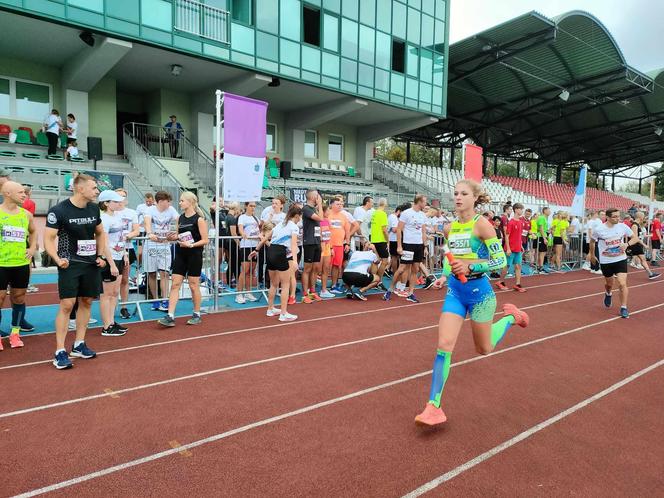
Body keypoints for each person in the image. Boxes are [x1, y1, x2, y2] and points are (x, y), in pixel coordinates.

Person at [415, 179, 529, 426]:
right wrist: (444, 275)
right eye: (455, 193)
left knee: (484, 349)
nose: (457, 197)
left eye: (463, 193)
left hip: (480, 295)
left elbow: (501, 263)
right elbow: (449, 258)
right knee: (444, 345)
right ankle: (433, 406)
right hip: (456, 293)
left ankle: (511, 317)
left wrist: (472, 265)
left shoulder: (483, 226)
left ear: (475, 198)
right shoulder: (449, 228)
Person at [44, 174, 112, 369]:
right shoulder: (59, 210)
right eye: (93, 188)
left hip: (90, 263)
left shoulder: (93, 208)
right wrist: (57, 259)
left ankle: (79, 344)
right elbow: (48, 239)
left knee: (87, 301)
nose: (97, 191)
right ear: (80, 189)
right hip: (70, 263)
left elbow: (100, 233)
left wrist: (100, 256)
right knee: (67, 304)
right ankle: (59, 351)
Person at [158, 192, 209, 327]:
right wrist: (173, 237)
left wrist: (191, 244)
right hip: (181, 254)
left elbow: (205, 240)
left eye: (182, 201)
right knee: (175, 284)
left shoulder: (199, 219)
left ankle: (196, 314)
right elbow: (180, 235)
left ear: (190, 202)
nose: (179, 203)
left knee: (193, 285)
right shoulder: (180, 218)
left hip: (194, 255)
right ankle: (170, 316)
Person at [0, 182, 37, 350]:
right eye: (20, 192)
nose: (24, 195)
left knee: (19, 298)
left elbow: (34, 231)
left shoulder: (26, 214)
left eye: (25, 192)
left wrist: (32, 247)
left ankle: (15, 333)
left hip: (20, 264)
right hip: (1, 264)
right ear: (7, 193)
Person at [589, 208, 640, 319]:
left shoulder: (622, 226)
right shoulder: (599, 229)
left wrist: (627, 244)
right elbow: (592, 242)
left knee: (622, 283)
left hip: (620, 259)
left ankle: (623, 307)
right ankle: (608, 293)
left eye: (618, 216)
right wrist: (592, 255)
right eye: (615, 217)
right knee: (609, 284)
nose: (618, 218)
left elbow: (635, 238)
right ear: (607, 217)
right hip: (606, 261)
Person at [384, 194, 428, 303]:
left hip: (419, 245)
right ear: (419, 202)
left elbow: (423, 231)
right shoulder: (406, 213)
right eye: (424, 202)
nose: (426, 204)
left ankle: (411, 293)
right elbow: (399, 229)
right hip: (408, 244)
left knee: (415, 269)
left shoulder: (423, 215)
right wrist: (399, 245)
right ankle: (390, 290)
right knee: (402, 268)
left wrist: (425, 246)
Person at [98, 190, 129, 337]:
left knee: (115, 293)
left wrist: (124, 254)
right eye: (115, 201)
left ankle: (111, 321)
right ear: (106, 203)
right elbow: (104, 244)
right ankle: (106, 326)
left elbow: (121, 238)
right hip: (109, 259)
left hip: (119, 256)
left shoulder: (118, 216)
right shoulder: (103, 219)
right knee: (107, 294)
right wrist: (111, 264)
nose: (119, 203)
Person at [265, 204, 302, 322]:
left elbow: (266, 238)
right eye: (300, 217)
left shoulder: (280, 224)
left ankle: (270, 309)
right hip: (280, 253)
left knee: (273, 284)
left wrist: (256, 249)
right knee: (285, 284)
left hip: (271, 251)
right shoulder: (294, 227)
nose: (300, 219)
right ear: (296, 216)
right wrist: (295, 261)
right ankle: (283, 313)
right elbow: (294, 244)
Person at [144, 191, 179, 311]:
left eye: (169, 201)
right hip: (151, 244)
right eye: (167, 201)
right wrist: (149, 233)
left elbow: (179, 219)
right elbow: (147, 222)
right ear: (160, 201)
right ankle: (155, 300)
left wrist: (177, 233)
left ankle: (165, 299)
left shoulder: (171, 209)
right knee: (152, 273)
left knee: (165, 273)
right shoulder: (150, 210)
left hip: (164, 244)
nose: (169, 203)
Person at [114, 189, 140, 319]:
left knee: (124, 279)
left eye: (123, 196)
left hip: (128, 249)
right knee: (113, 281)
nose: (121, 199)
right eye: (118, 196)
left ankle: (123, 307)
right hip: (112, 249)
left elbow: (137, 231)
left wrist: (128, 235)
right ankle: (111, 307)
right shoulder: (109, 213)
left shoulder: (131, 213)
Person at [496, 203, 527, 292]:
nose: (522, 211)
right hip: (510, 248)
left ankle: (517, 284)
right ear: (516, 210)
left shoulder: (521, 222)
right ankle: (500, 282)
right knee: (507, 266)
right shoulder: (511, 222)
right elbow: (507, 236)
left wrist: (520, 245)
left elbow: (519, 236)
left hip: (517, 248)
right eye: (521, 209)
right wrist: (508, 248)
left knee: (518, 266)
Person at [259, 195, 287, 290]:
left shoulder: (284, 216)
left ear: (281, 205)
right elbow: (264, 228)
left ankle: (278, 285)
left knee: (279, 264)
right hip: (269, 242)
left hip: (280, 243)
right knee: (269, 263)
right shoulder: (269, 214)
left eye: (276, 203)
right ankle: (268, 284)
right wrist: (270, 217)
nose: (274, 205)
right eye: (273, 203)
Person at [301, 190, 323, 303]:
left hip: (317, 241)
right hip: (309, 242)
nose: (319, 197)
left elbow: (322, 223)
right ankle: (305, 294)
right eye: (317, 195)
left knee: (316, 268)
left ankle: (313, 291)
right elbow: (320, 218)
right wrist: (319, 205)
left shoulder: (314, 209)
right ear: (313, 197)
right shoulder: (306, 209)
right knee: (307, 268)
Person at [236, 202, 260, 304]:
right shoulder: (242, 217)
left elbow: (260, 229)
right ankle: (239, 294)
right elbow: (240, 229)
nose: (252, 208)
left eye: (254, 206)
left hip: (255, 246)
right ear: (246, 206)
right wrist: (243, 234)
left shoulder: (256, 218)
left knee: (251, 270)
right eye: (250, 206)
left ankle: (248, 292)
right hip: (246, 245)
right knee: (245, 270)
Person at [327, 196, 351, 293]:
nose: (340, 206)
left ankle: (334, 285)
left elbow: (347, 231)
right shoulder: (327, 215)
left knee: (337, 265)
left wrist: (347, 243)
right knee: (325, 266)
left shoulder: (344, 216)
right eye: (337, 204)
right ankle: (323, 287)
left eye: (341, 204)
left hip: (340, 245)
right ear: (331, 205)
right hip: (328, 245)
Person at [628, 211, 660, 280]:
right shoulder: (634, 225)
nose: (644, 218)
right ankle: (650, 274)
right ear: (640, 217)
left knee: (643, 259)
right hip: (635, 244)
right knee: (642, 259)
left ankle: (650, 274)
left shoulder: (637, 224)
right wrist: (644, 244)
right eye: (643, 216)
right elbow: (635, 237)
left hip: (637, 244)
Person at [369, 198, 390, 288]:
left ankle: (373, 280)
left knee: (376, 260)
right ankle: (378, 280)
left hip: (374, 239)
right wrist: (388, 241)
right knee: (384, 261)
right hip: (381, 240)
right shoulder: (382, 214)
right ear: (385, 204)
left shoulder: (374, 213)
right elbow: (384, 230)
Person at [318, 204, 333, 298]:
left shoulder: (328, 221)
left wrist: (331, 248)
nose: (329, 212)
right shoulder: (318, 221)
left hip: (327, 247)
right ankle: (310, 291)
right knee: (316, 270)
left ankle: (323, 290)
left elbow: (329, 236)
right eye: (328, 210)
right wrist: (321, 244)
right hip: (320, 247)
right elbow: (319, 235)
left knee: (326, 269)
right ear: (323, 211)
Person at [536, 207, 551, 273]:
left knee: (543, 252)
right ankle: (540, 267)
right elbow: (541, 228)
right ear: (545, 211)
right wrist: (544, 238)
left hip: (544, 236)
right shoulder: (542, 218)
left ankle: (540, 266)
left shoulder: (544, 218)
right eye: (549, 210)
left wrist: (548, 231)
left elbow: (543, 229)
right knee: (542, 252)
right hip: (541, 237)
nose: (550, 212)